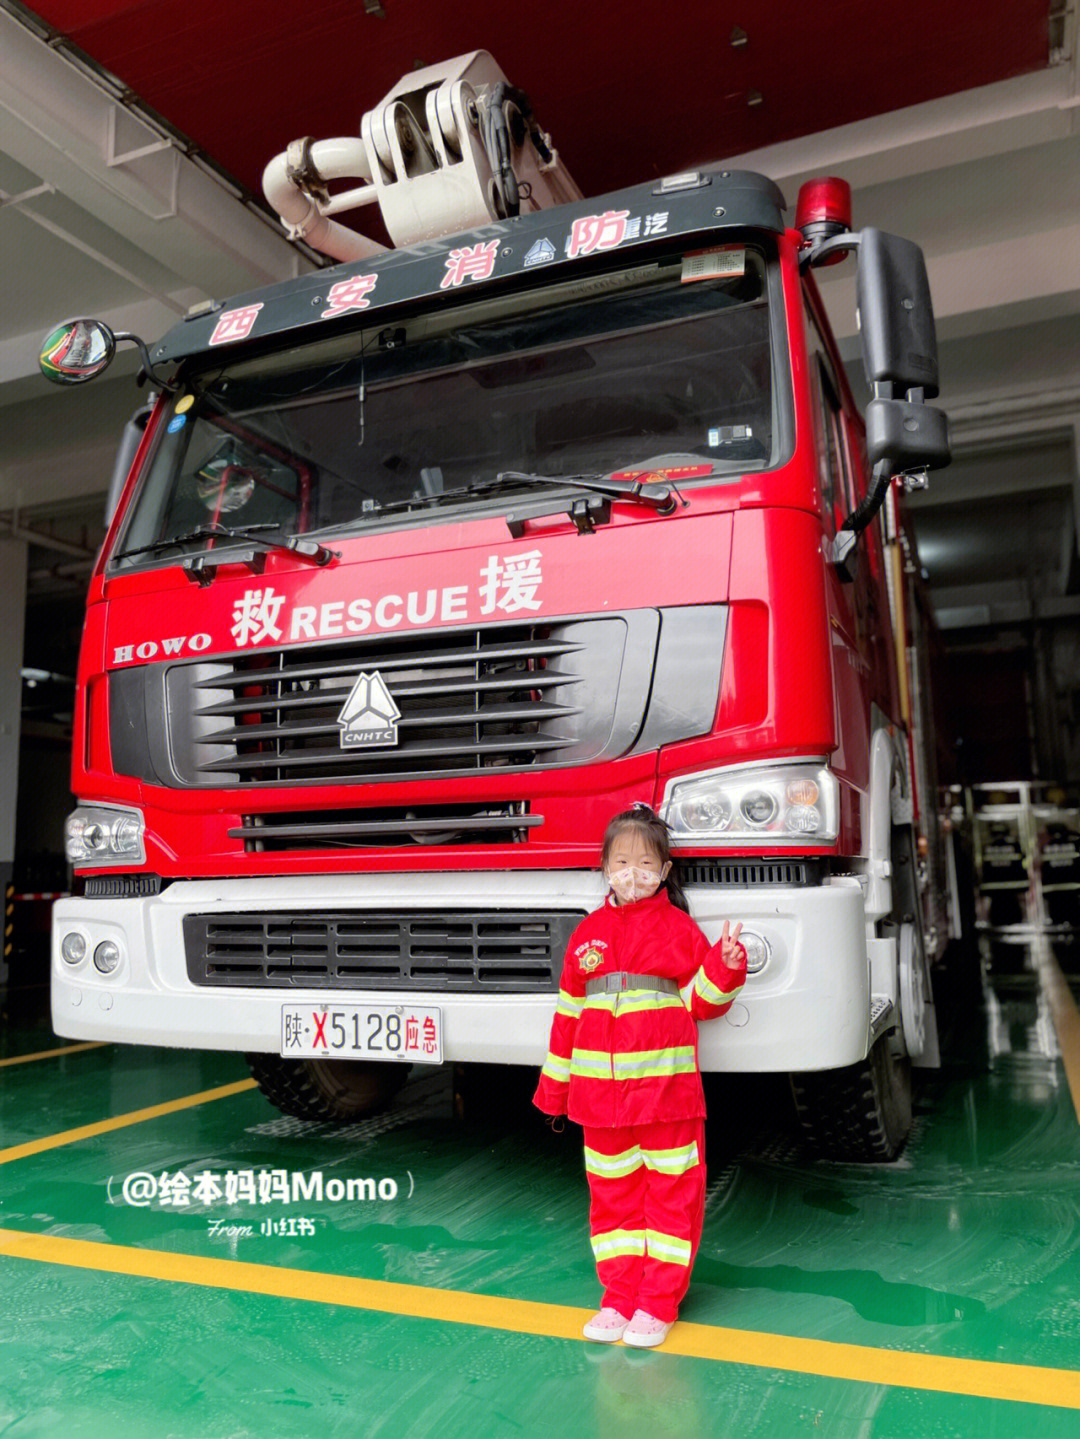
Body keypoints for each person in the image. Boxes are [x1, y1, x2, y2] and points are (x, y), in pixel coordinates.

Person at [533, 802, 747, 1348]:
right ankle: (618, 1298)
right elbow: (567, 1021)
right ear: (604, 867)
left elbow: (702, 1002)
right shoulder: (587, 936)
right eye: (621, 861)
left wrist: (725, 964)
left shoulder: (678, 930)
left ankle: (658, 1303)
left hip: (667, 1101)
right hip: (600, 1107)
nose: (633, 872)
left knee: (672, 1198)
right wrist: (554, 1092)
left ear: (665, 871)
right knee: (614, 1203)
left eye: (644, 862)